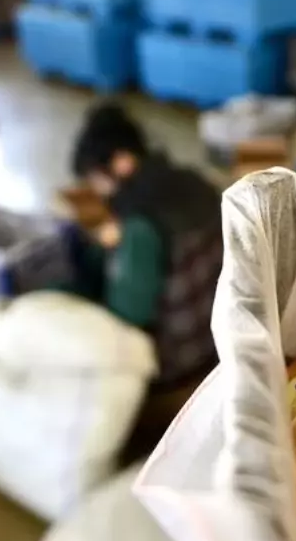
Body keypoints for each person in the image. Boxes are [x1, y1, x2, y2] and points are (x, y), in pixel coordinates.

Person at [69, 103, 223, 386]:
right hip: (217, 342)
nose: (97, 192)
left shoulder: (141, 227)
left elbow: (129, 314)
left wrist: (108, 257)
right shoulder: (196, 182)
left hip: (177, 362)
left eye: (96, 180)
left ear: (121, 163)